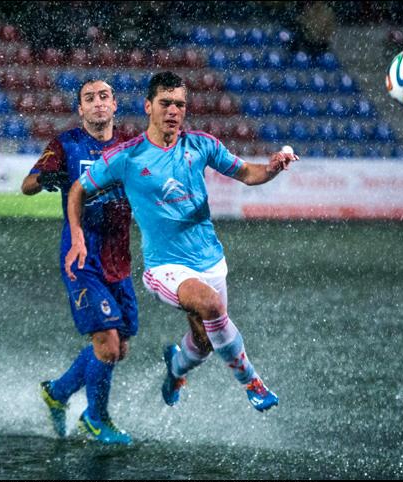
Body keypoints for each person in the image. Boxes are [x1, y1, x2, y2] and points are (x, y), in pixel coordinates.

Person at [66, 71, 298, 415]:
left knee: (204, 342)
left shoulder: (201, 144)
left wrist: (272, 168)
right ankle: (252, 382)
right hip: (165, 267)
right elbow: (78, 189)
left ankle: (176, 368)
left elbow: (247, 173)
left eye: (180, 104)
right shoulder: (127, 156)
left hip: (210, 260)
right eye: (165, 103)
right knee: (211, 305)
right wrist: (77, 234)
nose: (173, 110)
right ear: (148, 106)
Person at [21, 79, 137, 444]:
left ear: (115, 105)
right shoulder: (65, 144)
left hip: (118, 257)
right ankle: (96, 418)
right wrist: (46, 179)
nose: (98, 103)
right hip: (81, 253)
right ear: (81, 109)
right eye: (90, 98)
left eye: (104, 97)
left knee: (118, 348)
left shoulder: (130, 147)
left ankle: (57, 393)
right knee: (106, 341)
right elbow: (27, 184)